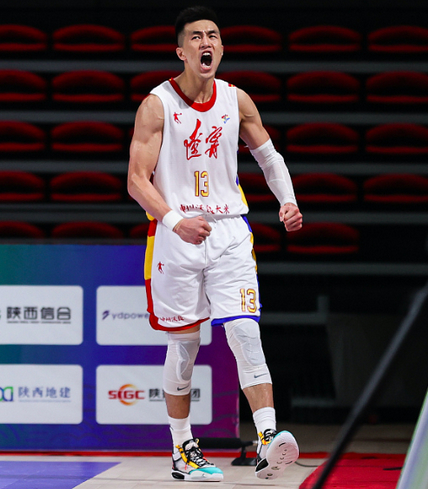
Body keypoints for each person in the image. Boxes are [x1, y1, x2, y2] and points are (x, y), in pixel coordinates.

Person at [127, 6, 303, 482]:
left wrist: (287, 200)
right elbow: (136, 180)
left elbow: (269, 157)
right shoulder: (157, 105)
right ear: (181, 51)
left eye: (214, 35)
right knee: (184, 347)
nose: (206, 42)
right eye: (196, 36)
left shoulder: (236, 99)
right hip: (175, 235)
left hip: (229, 232)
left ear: (221, 49)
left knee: (245, 331)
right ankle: (182, 448)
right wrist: (176, 220)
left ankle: (267, 438)